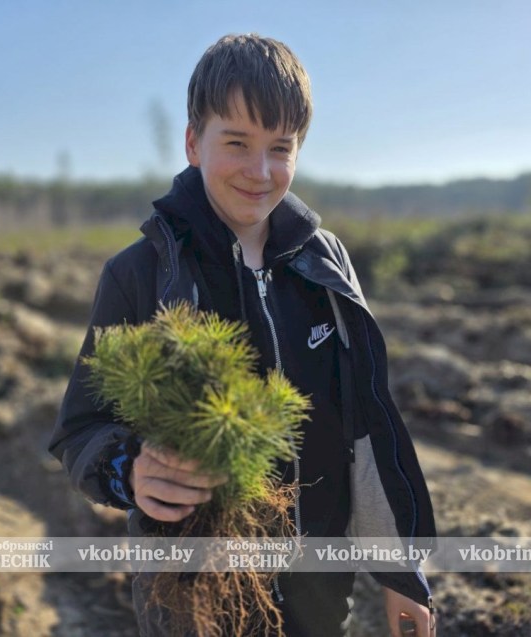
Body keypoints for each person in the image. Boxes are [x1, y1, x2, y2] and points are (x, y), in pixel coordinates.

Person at [49, 33, 437, 637]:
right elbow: (80, 429)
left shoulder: (324, 263)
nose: (260, 172)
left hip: (317, 591)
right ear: (192, 143)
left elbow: (365, 426)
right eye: (237, 143)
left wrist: (401, 573)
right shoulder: (141, 274)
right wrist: (130, 470)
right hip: (193, 596)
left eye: (280, 148)